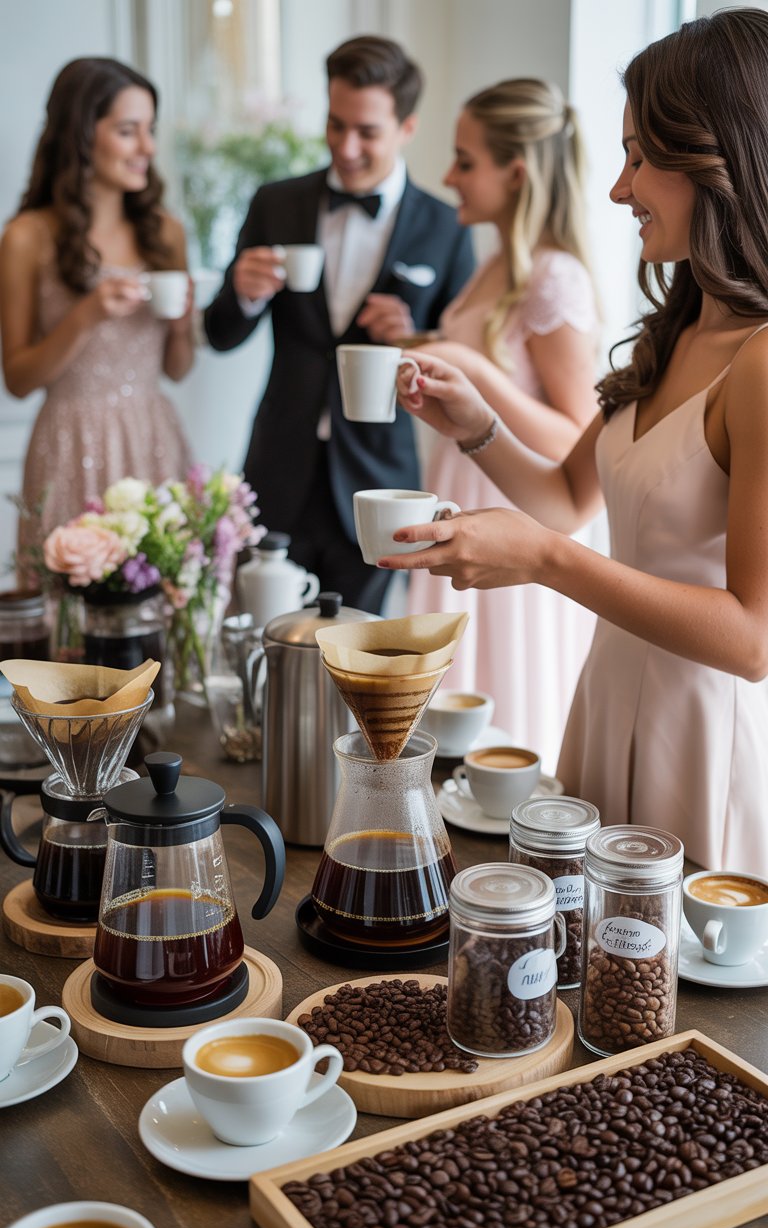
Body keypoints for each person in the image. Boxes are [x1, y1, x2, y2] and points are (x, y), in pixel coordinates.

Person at [381, 7, 768, 872]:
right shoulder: (677, 324)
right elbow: (565, 496)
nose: (618, 189)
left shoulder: (761, 361)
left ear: (715, 155)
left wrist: (550, 563)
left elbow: (753, 639)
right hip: (604, 700)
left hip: (702, 735)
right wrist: (476, 425)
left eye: (639, 158)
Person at [204, 35, 474, 613]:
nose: (346, 147)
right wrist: (244, 294)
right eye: (335, 125)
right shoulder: (275, 203)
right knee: (266, 648)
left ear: (406, 127)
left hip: (381, 483)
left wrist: (414, 337)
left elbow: (464, 357)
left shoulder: (447, 225)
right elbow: (219, 333)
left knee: (361, 664)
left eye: (367, 131)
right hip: (278, 469)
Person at [406, 79, 599, 770]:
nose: (448, 176)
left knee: (498, 713)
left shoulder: (554, 278)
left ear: (515, 173)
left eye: (464, 160)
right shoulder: (493, 264)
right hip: (459, 489)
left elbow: (580, 437)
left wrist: (471, 369)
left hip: (514, 511)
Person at [0, 57, 194, 570]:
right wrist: (86, 314)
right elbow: (17, 379)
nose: (147, 149)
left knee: (164, 600)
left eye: (149, 131)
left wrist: (181, 326)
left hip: (152, 436)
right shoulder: (26, 237)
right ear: (82, 135)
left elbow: (178, 368)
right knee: (68, 614)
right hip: (67, 445)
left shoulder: (166, 233)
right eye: (129, 131)